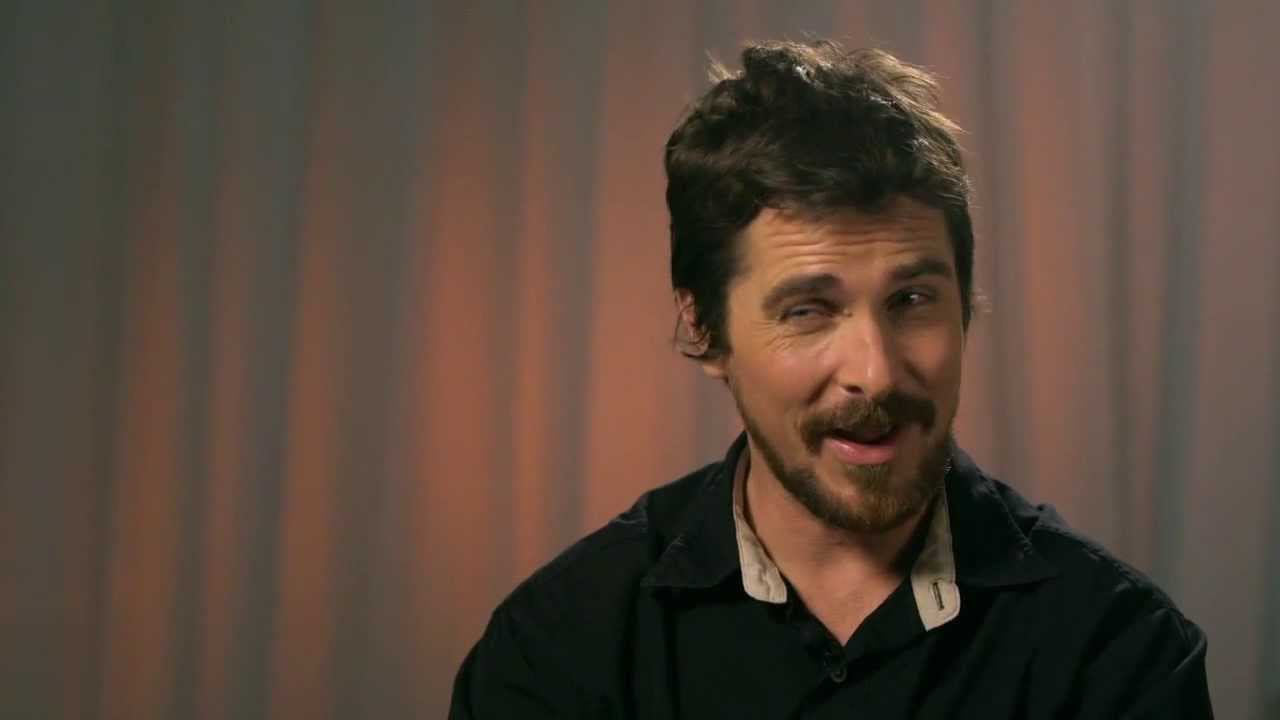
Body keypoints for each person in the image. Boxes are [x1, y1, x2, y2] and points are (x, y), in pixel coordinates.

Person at [450, 40, 1213, 718]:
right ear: (705, 329)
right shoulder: (561, 649)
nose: (874, 374)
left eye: (912, 301)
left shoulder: (1116, 652)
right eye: (809, 311)